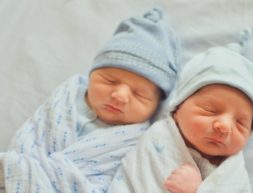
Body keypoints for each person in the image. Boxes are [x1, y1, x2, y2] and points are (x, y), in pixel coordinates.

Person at [1, 7, 180, 193]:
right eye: (109, 81)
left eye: (139, 94)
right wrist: (18, 167)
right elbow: (32, 137)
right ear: (92, 76)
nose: (119, 95)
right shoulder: (64, 103)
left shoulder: (143, 142)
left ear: (156, 105)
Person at [106, 30, 253, 193]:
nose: (225, 126)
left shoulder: (233, 175)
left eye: (241, 123)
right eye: (210, 111)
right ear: (177, 109)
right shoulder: (157, 140)